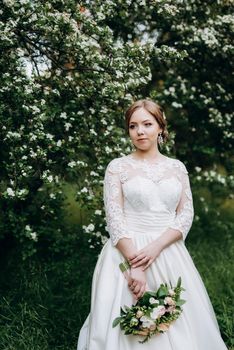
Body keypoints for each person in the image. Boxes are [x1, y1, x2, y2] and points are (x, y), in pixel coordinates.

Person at [77, 99, 227, 350]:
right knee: (127, 317)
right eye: (133, 126)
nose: (140, 131)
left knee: (179, 321)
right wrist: (134, 265)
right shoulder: (117, 167)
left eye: (147, 124)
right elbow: (115, 218)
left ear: (160, 128)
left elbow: (185, 214)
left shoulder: (177, 168)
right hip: (126, 251)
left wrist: (156, 247)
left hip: (167, 250)